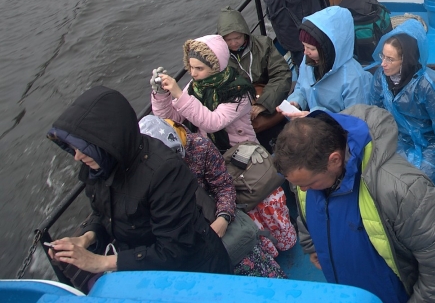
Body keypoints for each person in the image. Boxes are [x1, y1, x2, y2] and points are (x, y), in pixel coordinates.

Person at [274, 105, 435, 303]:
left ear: (334, 160)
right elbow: (307, 212)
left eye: (309, 184)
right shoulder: (307, 180)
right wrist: (313, 246)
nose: (303, 190)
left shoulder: (402, 189)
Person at [46, 87, 230, 278]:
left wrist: (100, 263)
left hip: (195, 272)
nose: (77, 157)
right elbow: (104, 212)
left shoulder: (164, 172)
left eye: (84, 149)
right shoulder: (98, 167)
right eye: (74, 149)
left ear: (107, 143)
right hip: (144, 268)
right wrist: (87, 237)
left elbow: (175, 249)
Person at [151, 34, 297, 257]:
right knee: (243, 209)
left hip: (245, 159)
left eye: (199, 68)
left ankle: (285, 241)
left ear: (215, 65)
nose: (193, 74)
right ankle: (265, 248)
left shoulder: (238, 91)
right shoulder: (195, 88)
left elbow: (212, 122)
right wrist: (161, 95)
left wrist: (179, 94)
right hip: (217, 159)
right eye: (191, 67)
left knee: (263, 202)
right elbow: (172, 119)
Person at [138, 116, 286, 278]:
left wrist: (223, 217)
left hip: (217, 221)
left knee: (259, 270)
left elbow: (223, 185)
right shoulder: (144, 174)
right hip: (185, 240)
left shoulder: (200, 147)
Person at [368, 20, 435, 185]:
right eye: (382, 56)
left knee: (420, 185)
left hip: (428, 143)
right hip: (396, 137)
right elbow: (376, 112)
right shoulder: (380, 78)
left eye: (390, 59)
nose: (383, 64)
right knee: (383, 181)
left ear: (406, 60)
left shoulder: (431, 84)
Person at [217, 6, 292, 142]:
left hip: (269, 101)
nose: (233, 43)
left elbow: (281, 74)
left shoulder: (264, 45)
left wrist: (263, 104)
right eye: (228, 40)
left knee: (286, 136)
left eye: (237, 37)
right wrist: (243, 104)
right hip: (240, 112)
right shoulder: (218, 58)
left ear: (245, 33)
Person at [283, 6, 372, 114]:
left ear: (328, 48)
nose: (305, 52)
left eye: (312, 48)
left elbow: (356, 119)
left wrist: (315, 115)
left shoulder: (354, 79)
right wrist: (296, 101)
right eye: (304, 46)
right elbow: (301, 88)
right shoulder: (308, 61)